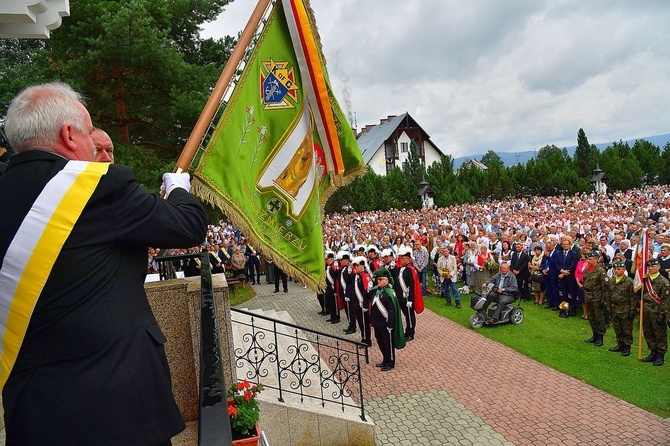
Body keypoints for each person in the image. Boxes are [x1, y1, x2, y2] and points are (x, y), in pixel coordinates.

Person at [0, 82, 207, 444]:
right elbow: (189, 227)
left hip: (34, 413)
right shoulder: (96, 187)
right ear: (69, 134)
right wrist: (178, 190)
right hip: (119, 408)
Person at [370, 268, 405, 371]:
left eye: (380, 279)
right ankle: (385, 359)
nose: (378, 281)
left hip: (386, 323)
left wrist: (390, 324)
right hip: (377, 322)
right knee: (380, 341)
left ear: (386, 280)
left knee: (387, 343)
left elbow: (392, 310)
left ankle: (390, 362)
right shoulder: (376, 291)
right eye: (377, 280)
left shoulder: (390, 292)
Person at [640, 258, 669, 366]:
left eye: (653, 266)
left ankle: (660, 355)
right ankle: (652, 352)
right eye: (649, 266)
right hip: (646, 310)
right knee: (648, 332)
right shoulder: (645, 279)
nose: (651, 268)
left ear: (659, 267)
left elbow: (665, 301)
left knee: (660, 334)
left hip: (657, 311)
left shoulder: (664, 282)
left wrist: (662, 315)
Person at [607, 261, 636, 356]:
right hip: (614, 308)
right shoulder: (612, 281)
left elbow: (633, 298)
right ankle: (620, 344)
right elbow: (609, 295)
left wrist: (632, 311)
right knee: (617, 328)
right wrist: (608, 307)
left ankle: (627, 347)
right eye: (615, 269)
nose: (617, 271)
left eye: (619, 269)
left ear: (624, 270)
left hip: (625, 309)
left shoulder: (629, 282)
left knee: (626, 329)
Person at [582, 251, 608, 347]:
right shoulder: (586, 270)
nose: (588, 261)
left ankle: (600, 337)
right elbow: (584, 282)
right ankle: (594, 335)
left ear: (596, 259)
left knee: (599, 318)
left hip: (597, 298)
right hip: (588, 297)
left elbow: (605, 287)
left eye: (591, 259)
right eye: (588, 259)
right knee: (591, 317)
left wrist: (603, 301)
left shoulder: (600, 271)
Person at [394, 246, 420, 341]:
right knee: (405, 315)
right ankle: (407, 331)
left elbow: (412, 286)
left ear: (408, 259)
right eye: (401, 258)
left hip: (407, 296)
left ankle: (411, 333)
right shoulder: (400, 269)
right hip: (400, 296)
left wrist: (410, 299)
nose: (402, 260)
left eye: (404, 258)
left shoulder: (411, 269)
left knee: (409, 315)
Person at [350, 256, 373, 346]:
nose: (355, 267)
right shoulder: (356, 276)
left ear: (362, 266)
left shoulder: (365, 276)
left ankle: (367, 340)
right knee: (360, 322)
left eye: (357, 266)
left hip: (363, 304)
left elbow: (367, 292)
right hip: (357, 304)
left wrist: (365, 305)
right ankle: (363, 338)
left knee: (365, 323)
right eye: (354, 266)